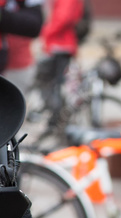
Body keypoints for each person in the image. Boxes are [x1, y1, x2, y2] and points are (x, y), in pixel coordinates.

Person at [38, 0, 84, 129]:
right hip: (63, 42)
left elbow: (64, 17)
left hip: (59, 44)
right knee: (57, 83)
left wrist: (46, 33)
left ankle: (55, 119)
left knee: (54, 84)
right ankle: (57, 118)